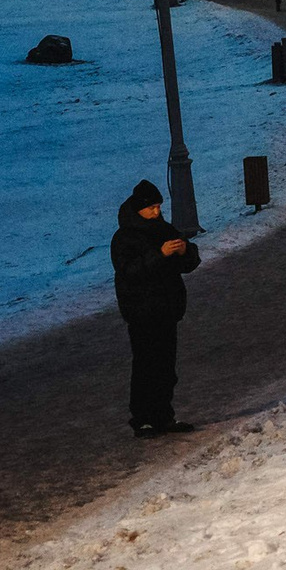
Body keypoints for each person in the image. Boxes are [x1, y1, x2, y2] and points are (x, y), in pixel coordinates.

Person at [111, 179, 200, 435]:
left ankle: (163, 415)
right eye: (151, 208)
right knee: (145, 366)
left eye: (159, 206)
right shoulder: (124, 238)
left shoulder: (164, 229)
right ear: (139, 208)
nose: (157, 212)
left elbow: (189, 263)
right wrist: (159, 254)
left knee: (165, 367)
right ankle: (143, 419)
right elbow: (129, 271)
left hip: (166, 309)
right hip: (141, 311)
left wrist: (185, 251)